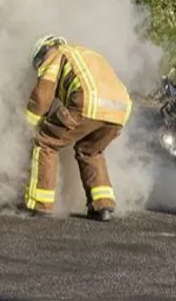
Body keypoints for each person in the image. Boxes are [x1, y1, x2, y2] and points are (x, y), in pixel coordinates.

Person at [22, 35, 131, 221]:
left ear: (43, 51)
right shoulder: (86, 54)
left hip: (89, 104)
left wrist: (30, 124)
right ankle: (103, 206)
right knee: (90, 151)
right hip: (121, 109)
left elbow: (43, 94)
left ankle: (40, 204)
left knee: (45, 142)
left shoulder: (55, 53)